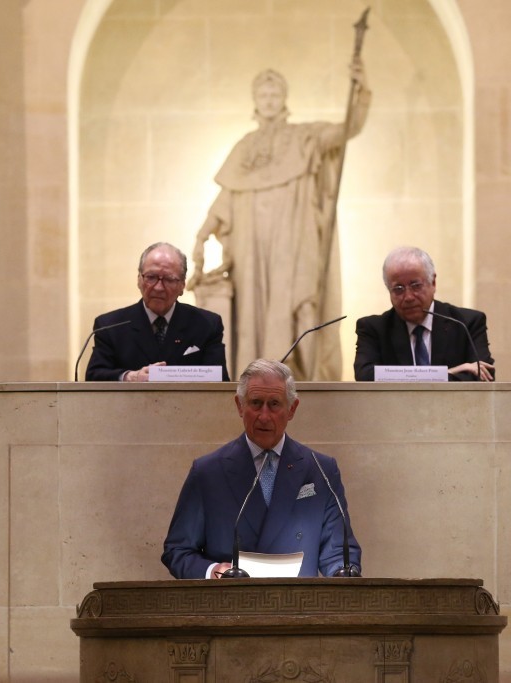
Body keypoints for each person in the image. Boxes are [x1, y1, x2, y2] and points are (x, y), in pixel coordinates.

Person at [187, 59, 372, 381]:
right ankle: (256, 382)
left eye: (275, 94)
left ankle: (305, 381)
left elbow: (347, 129)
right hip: (251, 248)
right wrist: (203, 233)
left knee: (302, 303)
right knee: (252, 314)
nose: (269, 100)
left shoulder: (305, 137)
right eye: (263, 94)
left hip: (294, 239)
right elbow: (227, 195)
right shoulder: (244, 147)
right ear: (255, 100)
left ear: (284, 98)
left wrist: (361, 90)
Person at [162, 359, 361, 579]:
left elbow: (338, 552)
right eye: (256, 403)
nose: (264, 416)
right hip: (231, 604)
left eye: (274, 404)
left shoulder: (321, 469)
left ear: (292, 409)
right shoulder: (208, 472)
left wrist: (342, 574)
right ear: (240, 406)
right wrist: (213, 571)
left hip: (297, 606)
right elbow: (177, 550)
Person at [85, 242, 229, 381]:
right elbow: (94, 375)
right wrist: (130, 377)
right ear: (139, 280)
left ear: (182, 286)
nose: (159, 287)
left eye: (169, 279)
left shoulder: (206, 324)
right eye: (151, 277)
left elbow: (220, 382)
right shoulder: (110, 326)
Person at [354, 246, 496, 382]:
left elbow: (484, 376)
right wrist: (448, 373)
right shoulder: (373, 329)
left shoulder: (466, 323)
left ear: (433, 283)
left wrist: (414, 378)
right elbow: (365, 376)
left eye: (416, 286)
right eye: (398, 289)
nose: (408, 297)